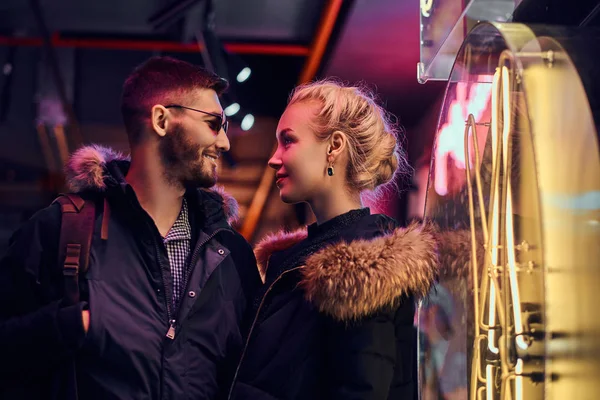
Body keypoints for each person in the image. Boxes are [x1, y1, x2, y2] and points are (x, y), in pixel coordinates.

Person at [0, 56, 261, 399]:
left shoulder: (232, 255)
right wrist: (67, 326)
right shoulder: (62, 229)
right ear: (161, 119)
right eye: (214, 123)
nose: (225, 143)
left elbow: (252, 376)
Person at [227, 79, 439, 399]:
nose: (273, 158)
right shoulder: (306, 256)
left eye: (288, 141)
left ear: (334, 146)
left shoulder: (365, 263)